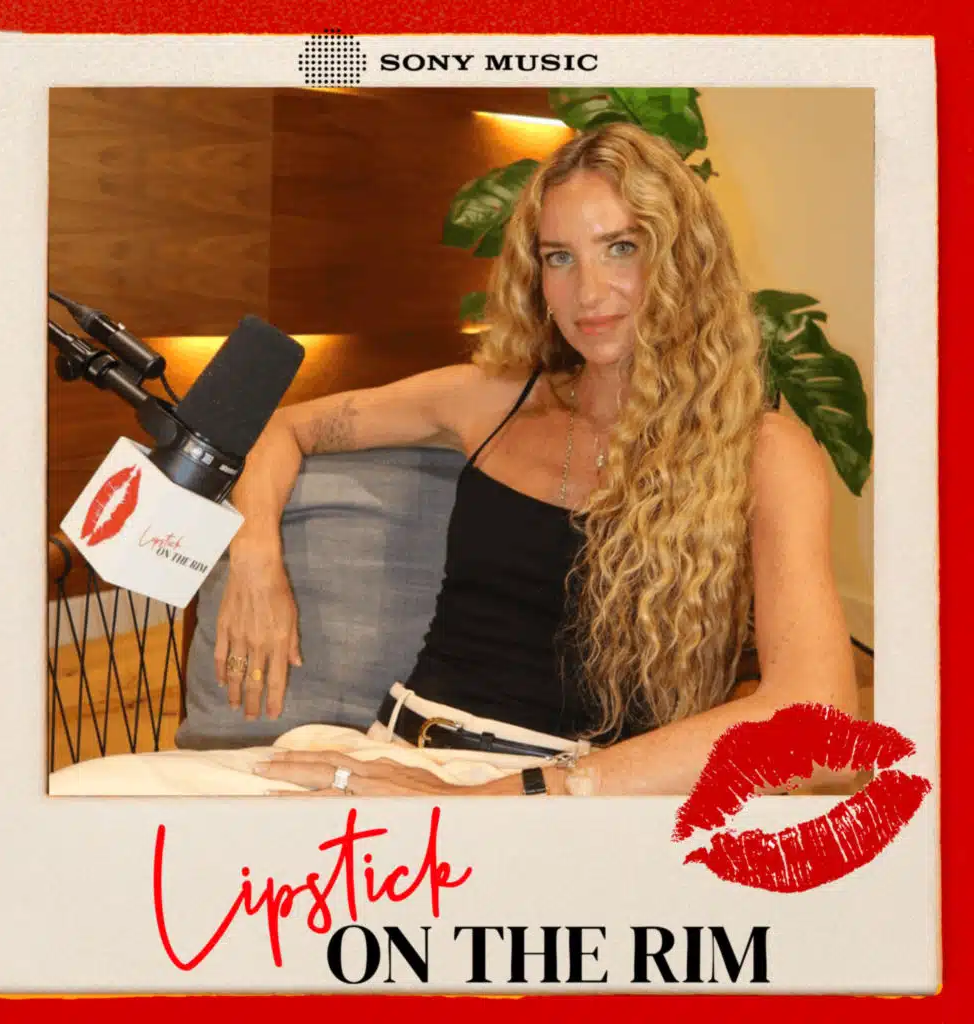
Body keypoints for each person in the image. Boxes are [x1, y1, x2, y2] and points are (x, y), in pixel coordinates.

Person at [212, 120, 859, 799]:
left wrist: (505, 798)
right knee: (138, 800)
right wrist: (256, 563)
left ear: (683, 260)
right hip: (396, 759)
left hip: (572, 797)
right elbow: (282, 427)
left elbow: (822, 725)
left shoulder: (762, 452)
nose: (589, 293)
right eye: (560, 258)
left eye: (621, 248)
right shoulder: (495, 397)